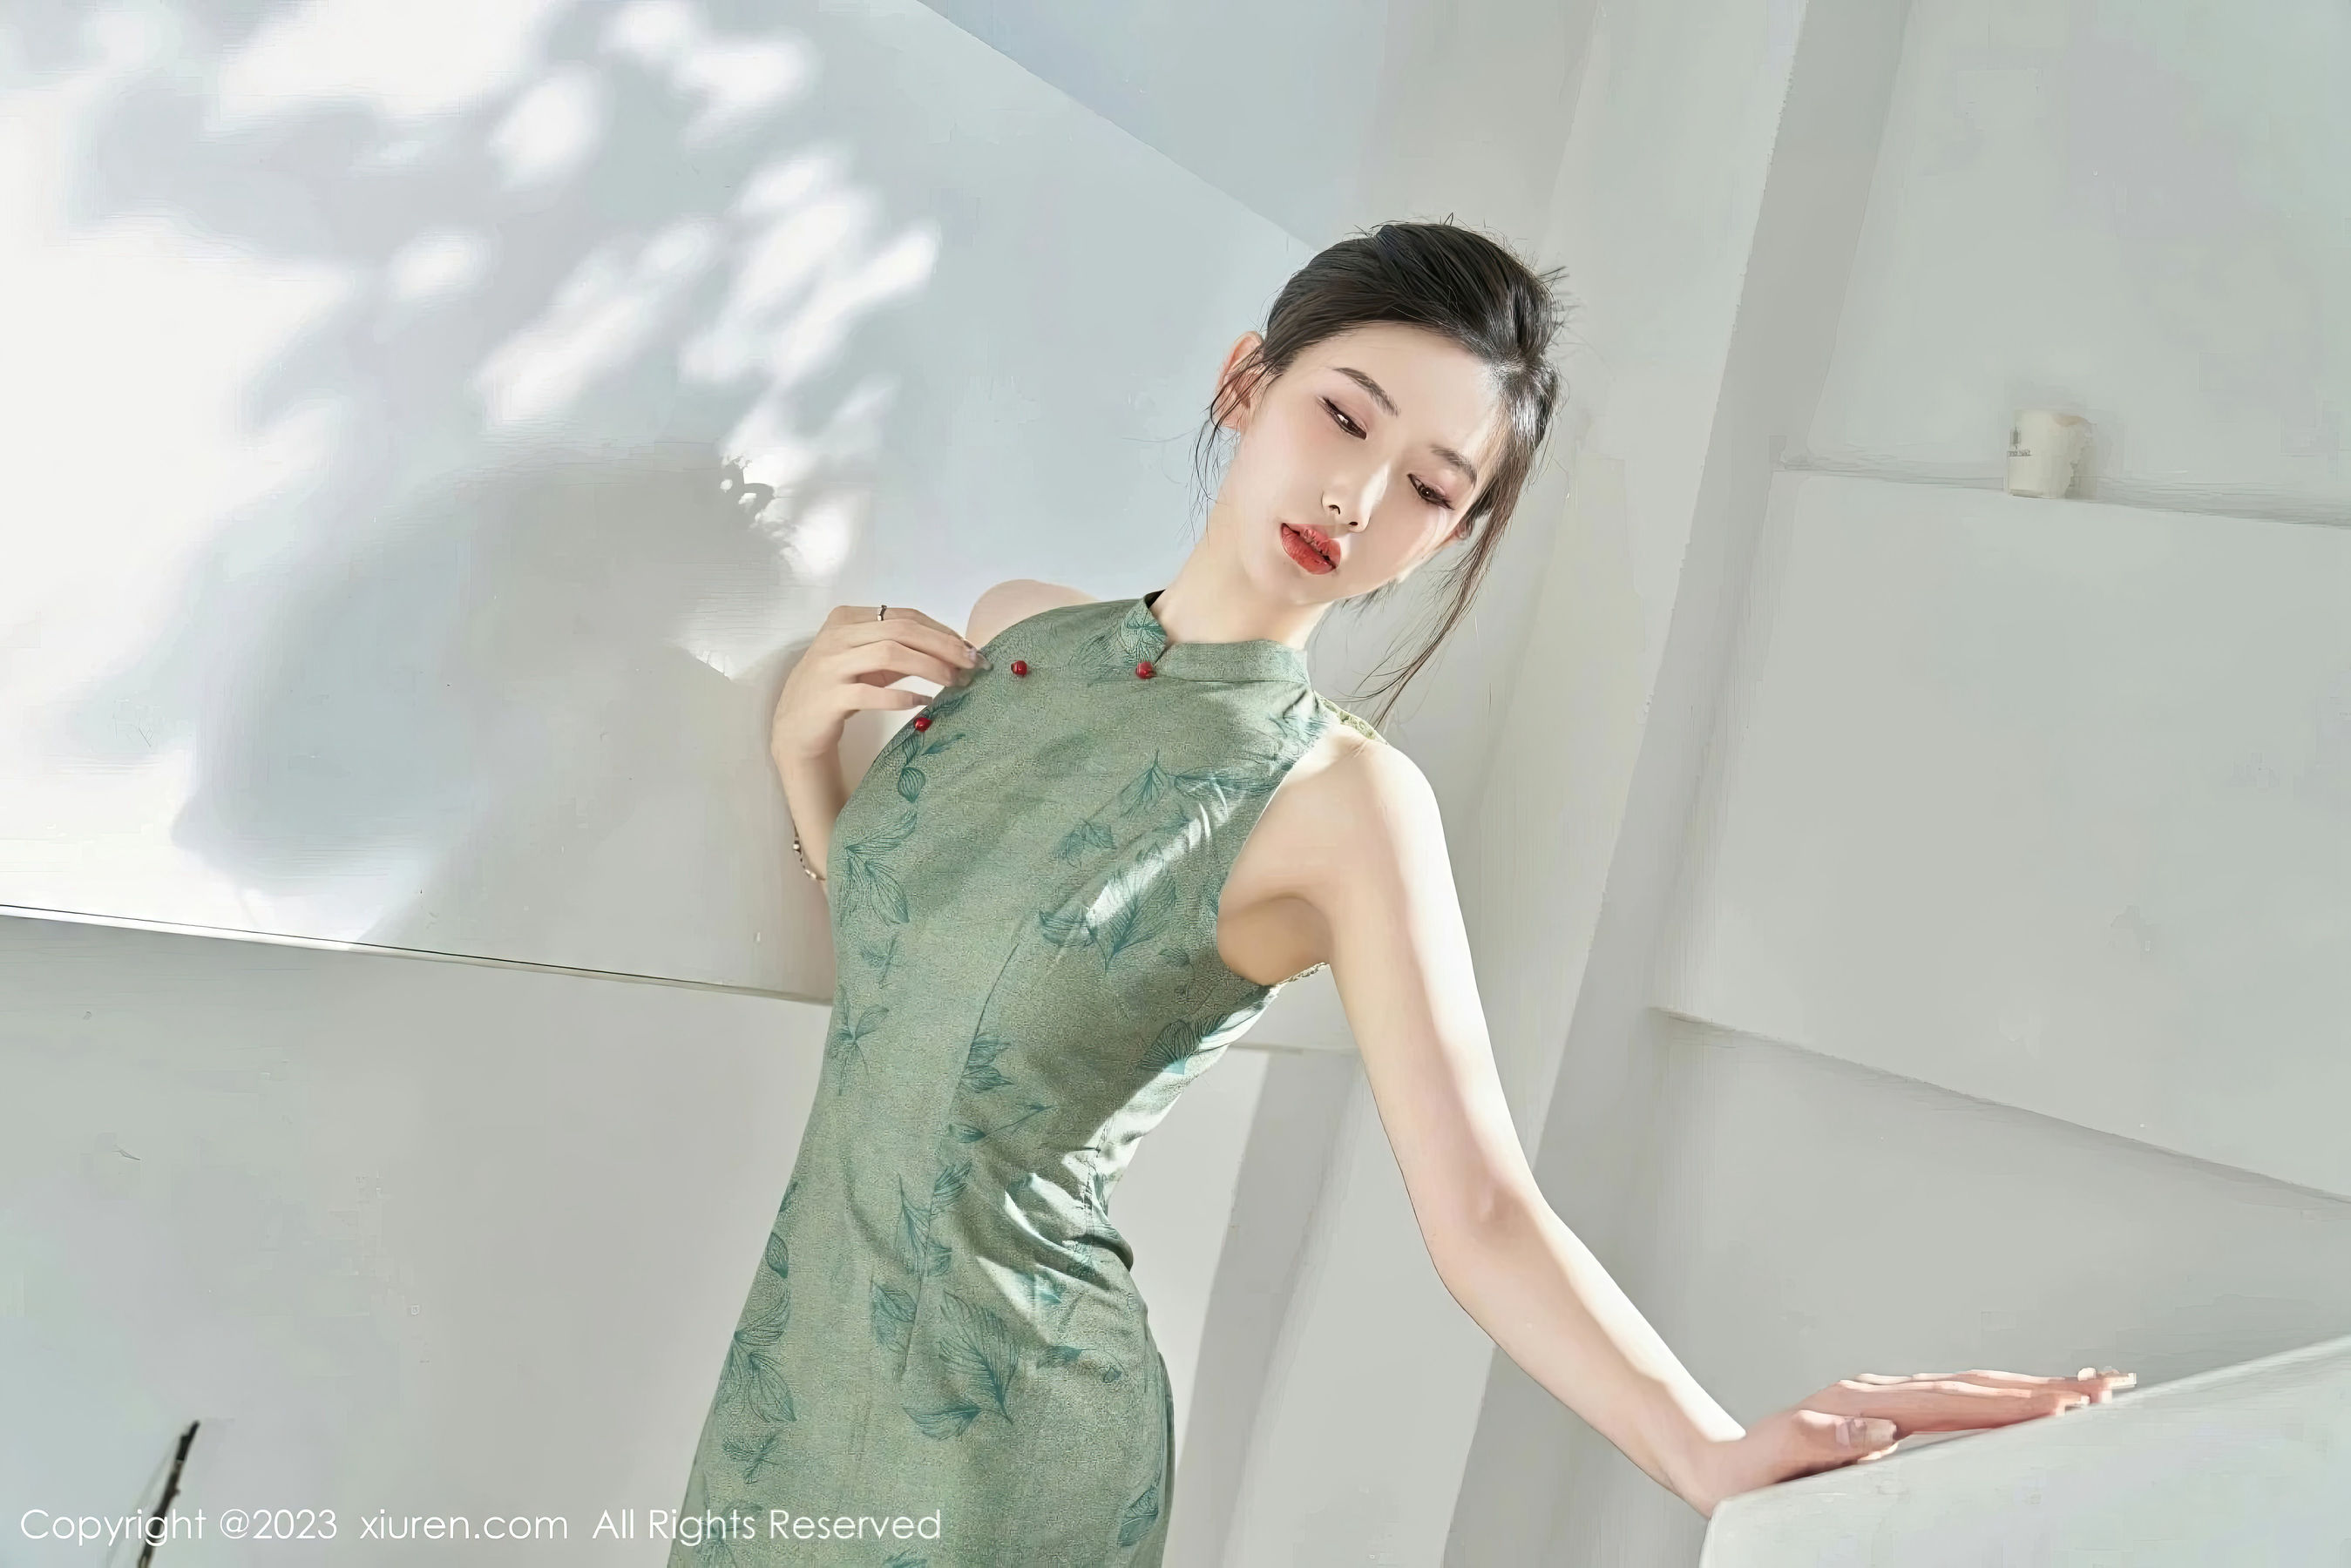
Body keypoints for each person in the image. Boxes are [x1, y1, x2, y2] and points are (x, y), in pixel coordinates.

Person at [669, 220, 2132, 1565]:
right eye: (1343, 415)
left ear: (1451, 535)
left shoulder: (1342, 806)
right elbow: (916, 991)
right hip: (792, 1366)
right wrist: (806, 762)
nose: (1355, 496)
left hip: (998, 1433)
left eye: (1431, 488)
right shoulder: (1019, 639)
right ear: (1247, 383)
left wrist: (1705, 1452)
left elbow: (1482, 1208)